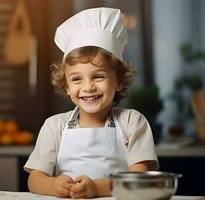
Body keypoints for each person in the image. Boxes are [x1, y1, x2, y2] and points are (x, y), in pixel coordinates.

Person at [24, 7, 159, 198]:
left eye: (98, 76)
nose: (88, 87)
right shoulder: (54, 126)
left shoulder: (132, 122)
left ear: (119, 81)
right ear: (67, 86)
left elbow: (139, 178)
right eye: (77, 79)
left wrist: (97, 188)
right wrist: (53, 185)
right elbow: (34, 180)